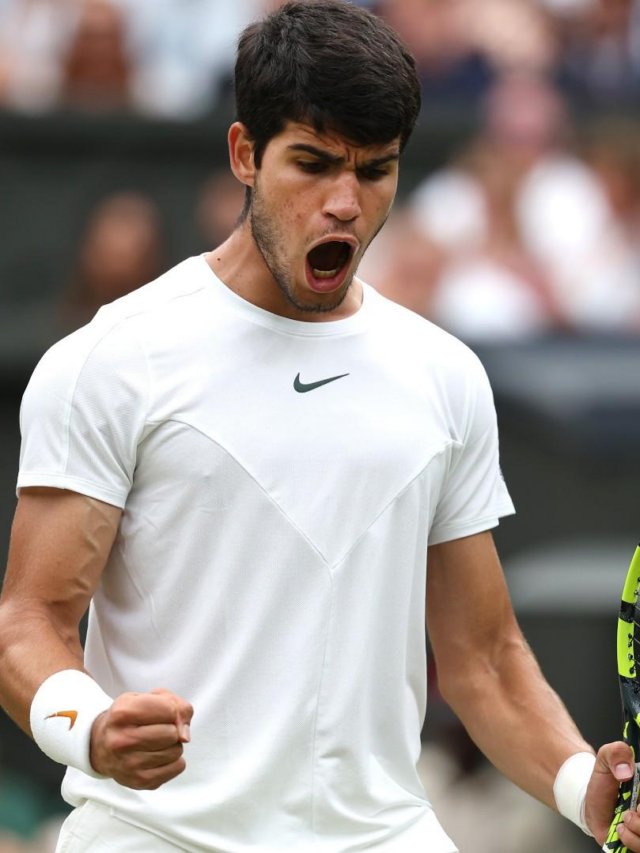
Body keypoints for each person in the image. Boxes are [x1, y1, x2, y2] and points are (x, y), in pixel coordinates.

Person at [0, 2, 635, 851]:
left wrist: (574, 782)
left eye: (376, 171)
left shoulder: (442, 375)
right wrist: (86, 724)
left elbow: (483, 656)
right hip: (156, 836)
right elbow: (30, 620)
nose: (345, 203)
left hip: (386, 833)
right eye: (313, 163)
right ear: (243, 155)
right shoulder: (112, 360)